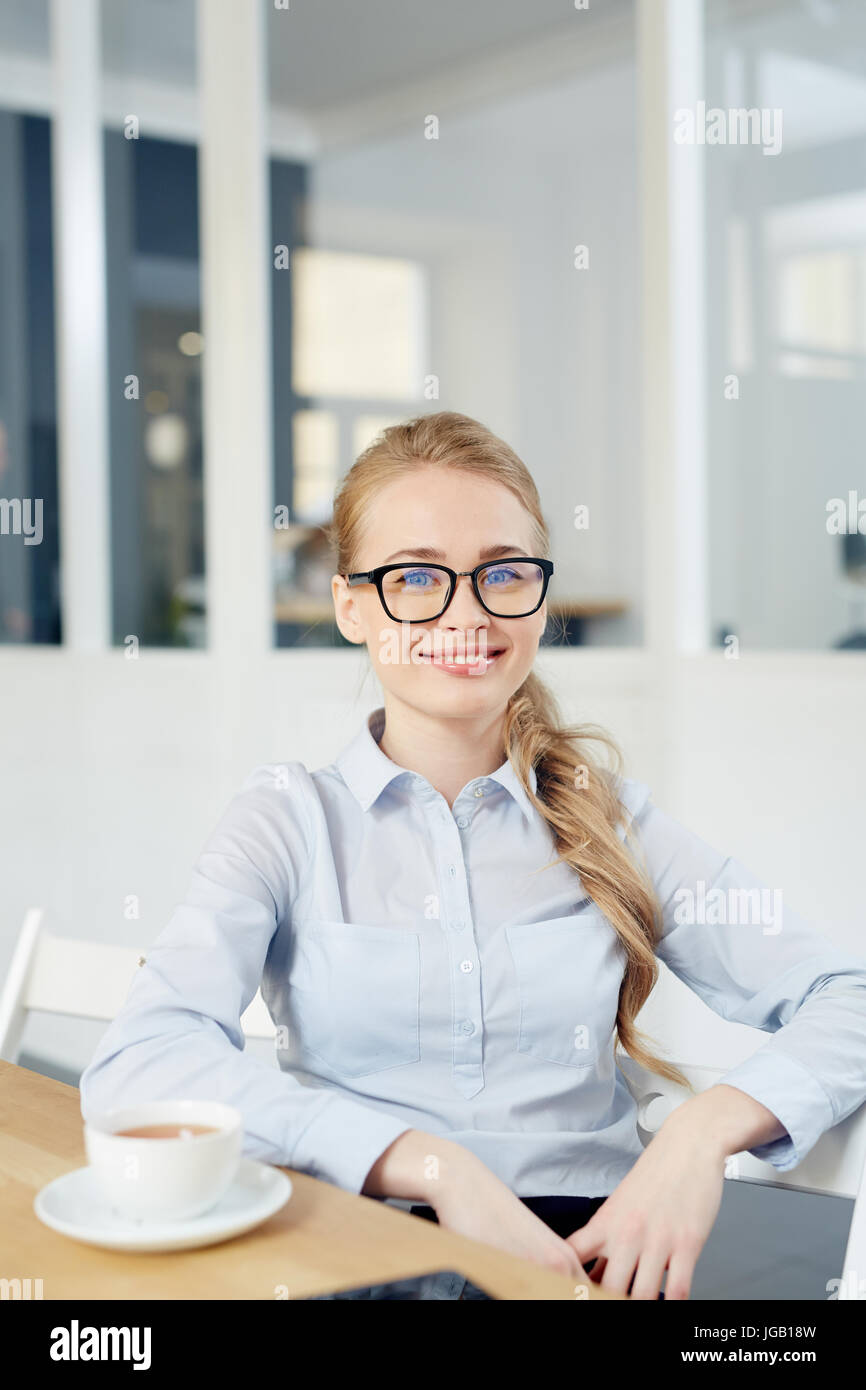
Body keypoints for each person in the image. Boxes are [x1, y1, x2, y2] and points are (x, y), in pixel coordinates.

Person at [80, 411, 866, 1301]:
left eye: (502, 572)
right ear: (352, 605)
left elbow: (849, 998)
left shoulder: (616, 825)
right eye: (416, 576)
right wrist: (434, 1168)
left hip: (587, 1268)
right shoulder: (286, 820)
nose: (466, 611)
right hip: (355, 1256)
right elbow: (140, 1059)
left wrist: (699, 1134)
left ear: (538, 596)